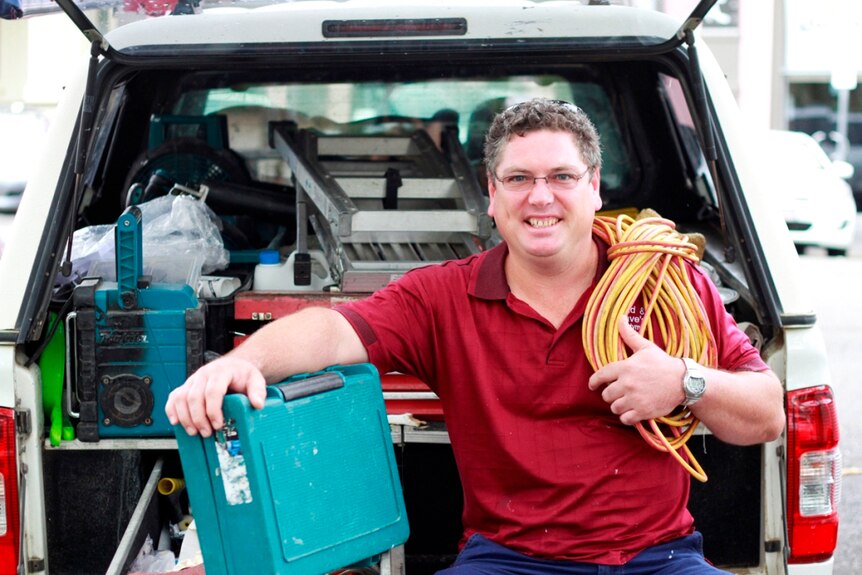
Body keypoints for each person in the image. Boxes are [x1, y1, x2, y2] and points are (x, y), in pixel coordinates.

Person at [166, 97, 785, 574]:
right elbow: (332, 330)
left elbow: (765, 415)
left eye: (562, 177)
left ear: (594, 187)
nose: (540, 197)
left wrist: (684, 380)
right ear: (491, 195)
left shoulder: (665, 283)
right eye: (518, 179)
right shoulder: (443, 296)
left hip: (658, 557)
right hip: (509, 558)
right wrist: (238, 363)